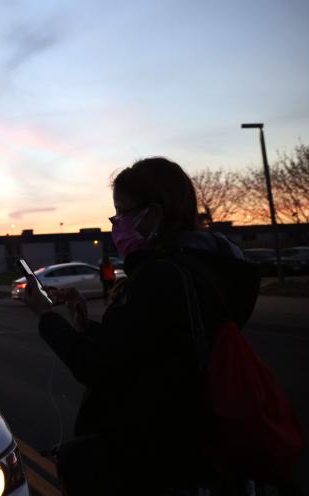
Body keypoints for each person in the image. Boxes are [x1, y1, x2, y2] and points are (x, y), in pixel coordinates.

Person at [22, 157, 272, 494]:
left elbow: (97, 366)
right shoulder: (207, 269)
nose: (116, 224)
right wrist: (86, 326)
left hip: (158, 455)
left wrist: (46, 315)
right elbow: (144, 348)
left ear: (153, 214)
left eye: (122, 213)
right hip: (197, 443)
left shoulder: (161, 277)